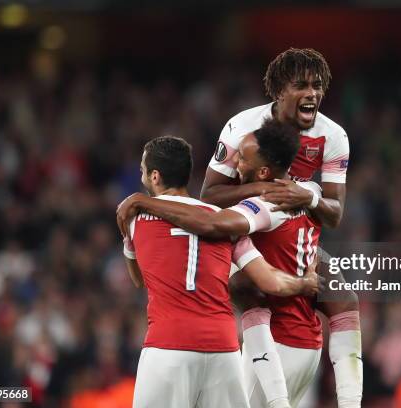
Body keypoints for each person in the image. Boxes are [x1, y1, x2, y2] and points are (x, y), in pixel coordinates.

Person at [116, 119, 346, 408]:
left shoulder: (134, 219)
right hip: (224, 351)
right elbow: (270, 281)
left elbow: (139, 280)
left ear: (155, 177)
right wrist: (304, 283)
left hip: (167, 345)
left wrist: (132, 228)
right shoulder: (229, 220)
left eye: (142, 171)